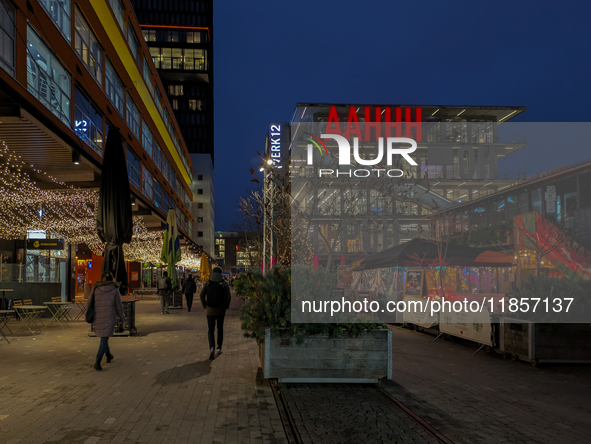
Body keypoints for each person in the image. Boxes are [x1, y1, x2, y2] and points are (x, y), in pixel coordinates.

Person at [87, 271, 126, 371]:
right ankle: (98, 361)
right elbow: (118, 306)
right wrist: (122, 319)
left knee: (104, 337)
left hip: (98, 316)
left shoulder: (95, 288)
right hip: (109, 316)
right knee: (104, 338)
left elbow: (89, 302)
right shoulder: (114, 290)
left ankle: (108, 355)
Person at [200, 266, 231, 360]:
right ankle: (219, 347)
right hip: (221, 309)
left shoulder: (208, 283)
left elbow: (202, 295)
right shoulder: (224, 283)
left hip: (210, 309)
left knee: (210, 330)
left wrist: (205, 305)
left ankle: (212, 347)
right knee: (220, 328)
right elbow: (228, 296)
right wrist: (226, 306)